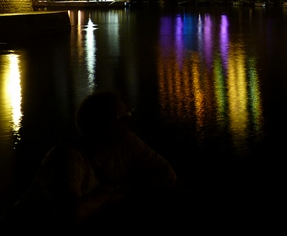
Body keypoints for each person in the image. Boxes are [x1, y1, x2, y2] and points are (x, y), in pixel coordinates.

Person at [6, 91, 176, 228]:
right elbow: (70, 216)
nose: (128, 124)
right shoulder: (67, 157)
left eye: (128, 117)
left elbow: (168, 174)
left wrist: (127, 189)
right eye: (121, 119)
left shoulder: (128, 142)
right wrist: (111, 192)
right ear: (96, 126)